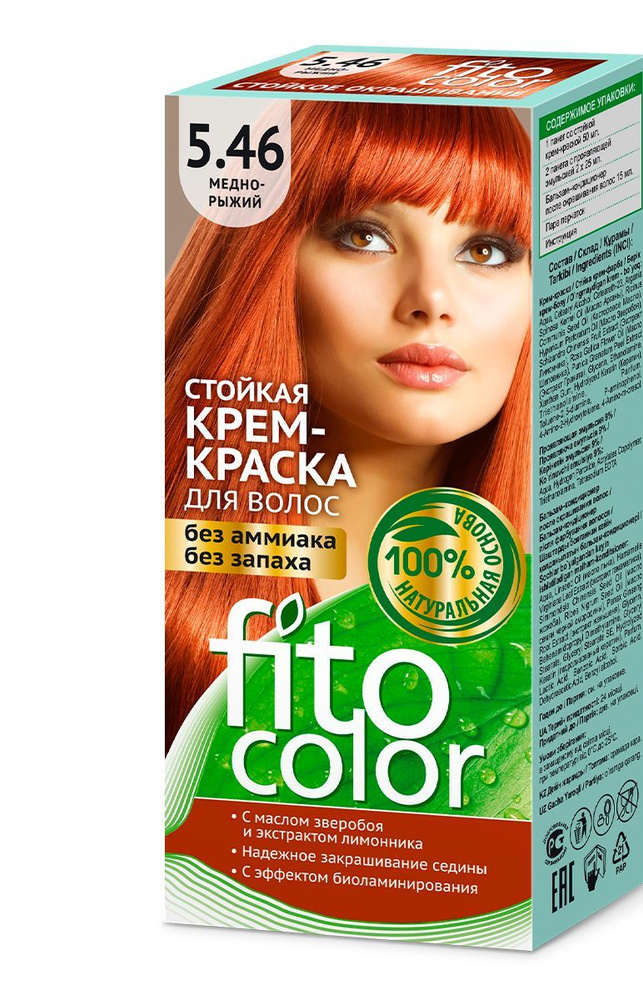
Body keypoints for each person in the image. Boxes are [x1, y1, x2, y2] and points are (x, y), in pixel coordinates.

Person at [165, 100, 532, 749]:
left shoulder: (551, 635)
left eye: (485, 250)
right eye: (364, 237)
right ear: (265, 264)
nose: (431, 301)